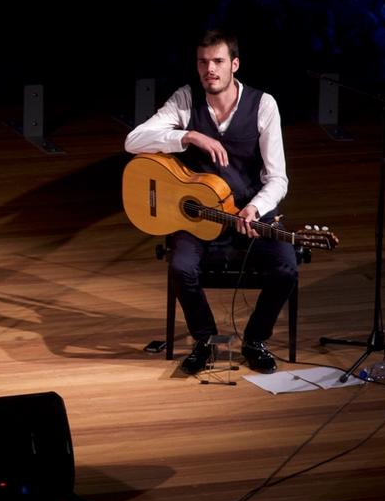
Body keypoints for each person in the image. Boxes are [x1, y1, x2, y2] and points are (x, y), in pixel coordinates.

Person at [124, 30, 297, 375]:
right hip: (201, 212)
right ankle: (204, 339)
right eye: (203, 62)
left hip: (249, 209)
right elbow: (133, 140)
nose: (210, 69)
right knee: (181, 267)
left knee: (286, 267)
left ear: (234, 64)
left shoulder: (263, 105)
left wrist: (255, 208)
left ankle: (254, 340)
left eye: (218, 61)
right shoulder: (186, 100)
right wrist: (186, 135)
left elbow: (278, 178)